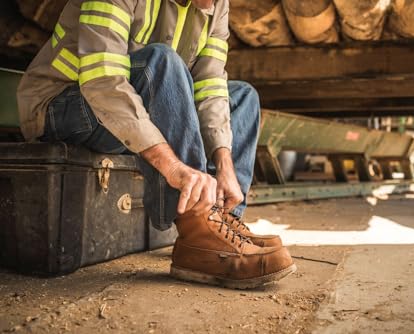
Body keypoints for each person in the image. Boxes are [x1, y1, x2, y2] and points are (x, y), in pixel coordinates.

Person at [17, 0, 295, 289]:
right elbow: (103, 82)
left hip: (134, 113)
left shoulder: (217, 4)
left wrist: (224, 164)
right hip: (64, 105)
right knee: (161, 61)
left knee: (242, 97)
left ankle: (220, 219)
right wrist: (172, 166)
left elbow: (209, 84)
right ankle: (196, 229)